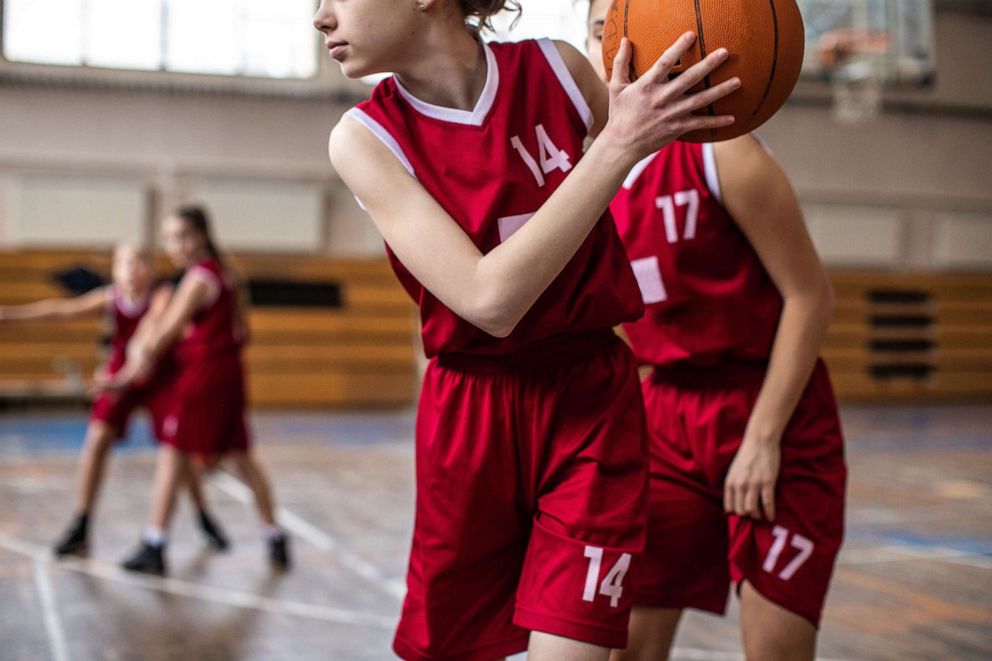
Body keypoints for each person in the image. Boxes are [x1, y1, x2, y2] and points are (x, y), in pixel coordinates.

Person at [313, 1, 739, 659]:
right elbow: (490, 299)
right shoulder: (364, 138)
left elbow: (661, 134)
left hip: (590, 403)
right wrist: (616, 147)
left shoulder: (561, 71)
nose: (320, 16)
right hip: (470, 413)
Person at [585, 2, 849, 660]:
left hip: (771, 408)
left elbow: (810, 296)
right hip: (666, 414)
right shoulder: (592, 175)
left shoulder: (723, 152)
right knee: (631, 649)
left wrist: (762, 439)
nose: (613, 47)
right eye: (600, 31)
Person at [0, 244, 229, 557]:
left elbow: (149, 331)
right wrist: (10, 316)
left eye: (138, 262)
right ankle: (81, 522)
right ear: (115, 270)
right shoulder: (112, 298)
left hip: (159, 377)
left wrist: (130, 365)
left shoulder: (162, 296)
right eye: (124, 263)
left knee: (179, 453)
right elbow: (61, 310)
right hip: (120, 376)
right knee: (96, 441)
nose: (131, 270)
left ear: (150, 268)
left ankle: (203, 516)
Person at [103, 207, 289, 576]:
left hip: (205, 376)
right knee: (243, 456)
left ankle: (154, 544)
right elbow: (242, 332)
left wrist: (127, 373)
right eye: (169, 238)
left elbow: (166, 330)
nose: (174, 245)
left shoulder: (199, 278)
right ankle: (275, 535)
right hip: (230, 373)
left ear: (200, 236)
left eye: (180, 236)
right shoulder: (225, 274)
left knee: (173, 452)